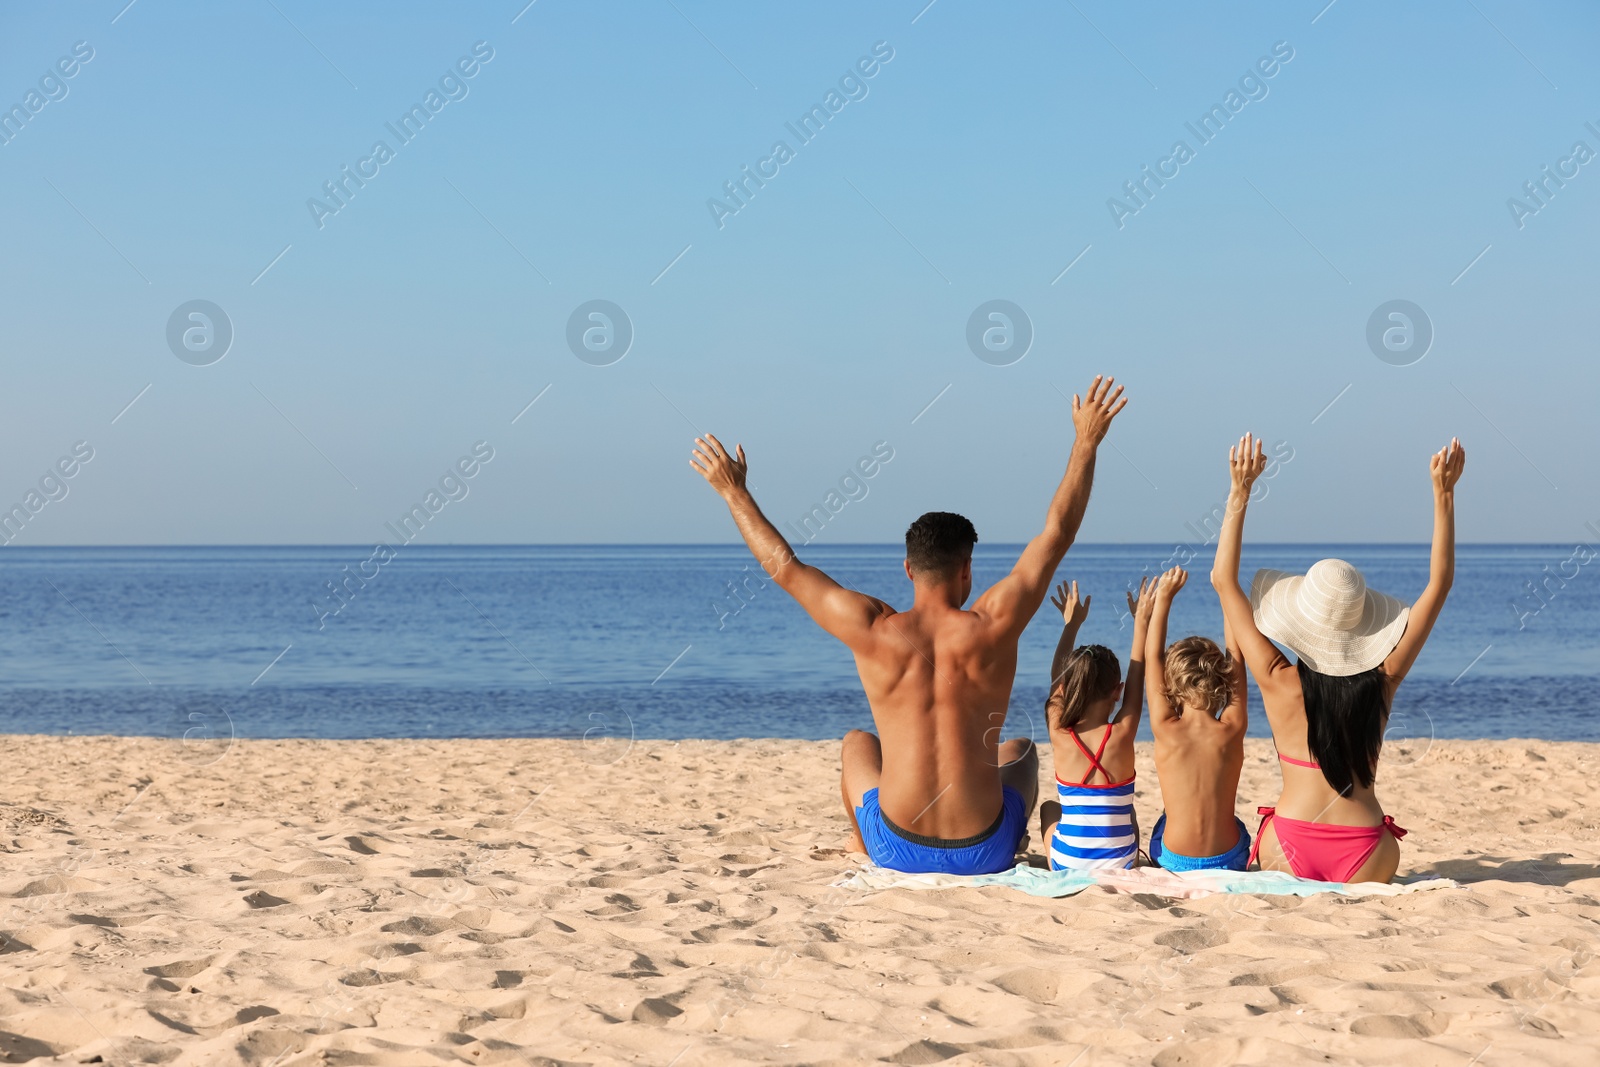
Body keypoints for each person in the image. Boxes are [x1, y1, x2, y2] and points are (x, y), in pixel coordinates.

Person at [689, 375, 1128, 875]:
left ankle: (860, 845)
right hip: (984, 850)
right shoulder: (994, 625)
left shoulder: (873, 630)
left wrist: (733, 491)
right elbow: (1058, 532)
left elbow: (785, 567)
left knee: (858, 743)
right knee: (1022, 752)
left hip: (896, 847)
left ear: (907, 569)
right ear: (966, 569)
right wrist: (1086, 441)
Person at [1211, 433, 1466, 884]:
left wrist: (1240, 492)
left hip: (1288, 847)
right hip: (1367, 851)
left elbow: (1223, 581)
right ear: (1363, 625)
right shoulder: (1383, 678)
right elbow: (1440, 584)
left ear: (1299, 621)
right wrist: (1443, 495)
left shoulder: (1277, 679)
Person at [1038, 576, 1154, 871]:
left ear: (1068, 687)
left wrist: (1071, 624)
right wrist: (1141, 622)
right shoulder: (1123, 733)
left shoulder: (1059, 731)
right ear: (1118, 690)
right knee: (1130, 815)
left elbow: (1056, 680)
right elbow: (1138, 675)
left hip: (1068, 862)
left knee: (1050, 809)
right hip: (1122, 863)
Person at [1143, 566, 1252, 872]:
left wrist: (1163, 598)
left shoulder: (1165, 728)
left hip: (1174, 860)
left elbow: (1152, 657)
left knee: (1165, 821)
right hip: (1228, 860)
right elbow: (1238, 655)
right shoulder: (1233, 727)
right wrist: (1226, 595)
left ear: (1171, 686)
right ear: (1222, 681)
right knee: (1236, 823)